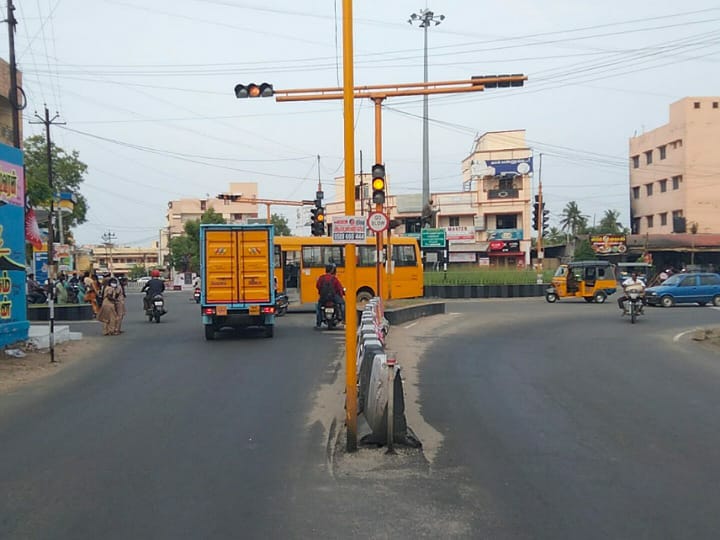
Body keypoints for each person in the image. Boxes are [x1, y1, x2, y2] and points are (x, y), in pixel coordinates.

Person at [315, 263, 345, 328]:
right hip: (333, 297)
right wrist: (341, 294)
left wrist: (321, 293)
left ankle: (318, 323)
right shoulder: (334, 279)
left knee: (318, 307)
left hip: (323, 297)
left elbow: (318, 286)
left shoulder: (321, 278)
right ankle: (343, 320)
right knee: (342, 304)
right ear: (332, 270)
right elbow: (339, 288)